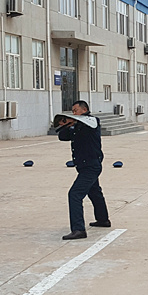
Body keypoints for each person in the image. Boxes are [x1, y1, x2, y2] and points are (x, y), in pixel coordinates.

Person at [57, 100, 110, 240]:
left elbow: (90, 123)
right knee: (94, 192)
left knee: (74, 194)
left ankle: (78, 229)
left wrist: (75, 121)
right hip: (83, 166)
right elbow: (62, 137)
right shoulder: (76, 126)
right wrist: (66, 125)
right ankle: (103, 219)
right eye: (72, 111)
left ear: (84, 110)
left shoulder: (92, 122)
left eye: (76, 110)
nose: (73, 113)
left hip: (91, 166)